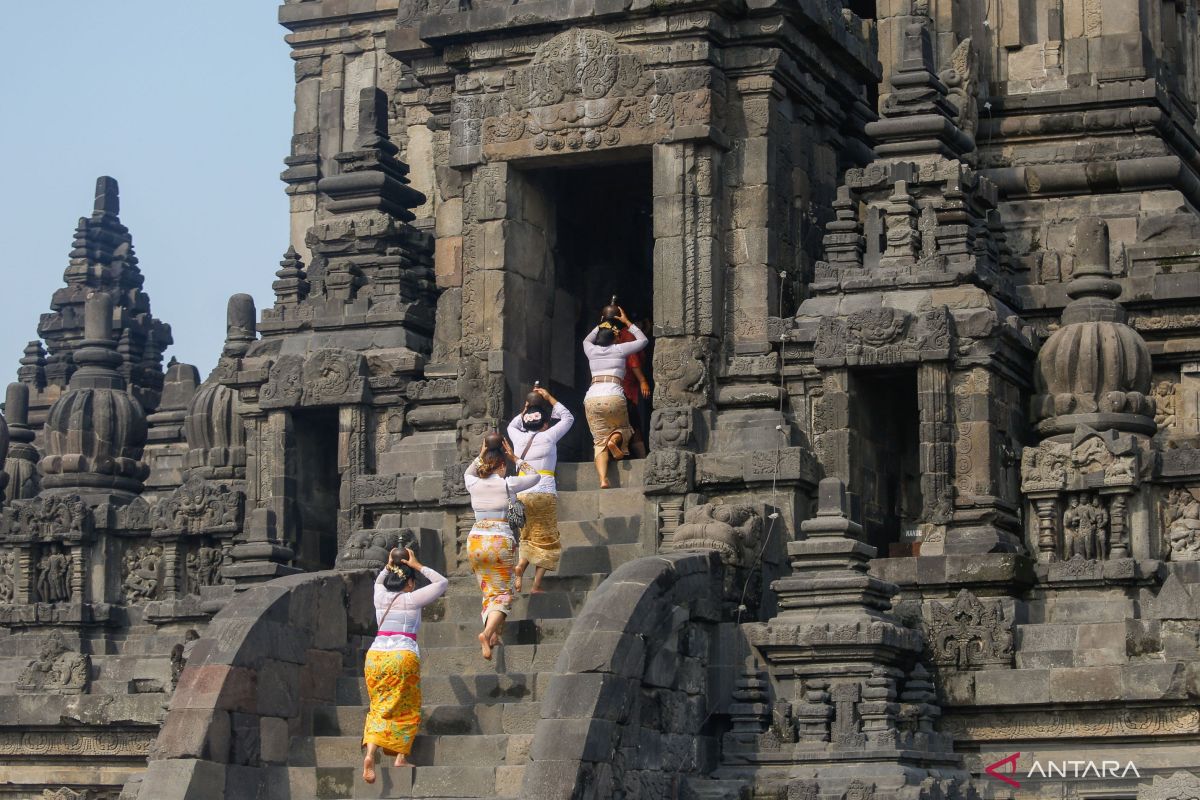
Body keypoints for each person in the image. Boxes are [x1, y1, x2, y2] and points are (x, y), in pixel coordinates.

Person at [362, 547, 448, 784]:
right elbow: (442, 583)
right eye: (413, 581)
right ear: (409, 583)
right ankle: (400, 756)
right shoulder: (411, 599)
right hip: (402, 655)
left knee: (378, 707)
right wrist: (418, 565)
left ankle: (370, 754)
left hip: (376, 657)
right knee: (407, 706)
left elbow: (379, 580)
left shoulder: (379, 596)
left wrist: (389, 563)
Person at [464, 432, 539, 660]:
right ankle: (486, 633)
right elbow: (535, 476)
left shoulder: (473, 482)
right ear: (502, 465)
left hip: (475, 540)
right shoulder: (508, 484)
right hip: (499, 541)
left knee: (490, 591)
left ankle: (494, 634)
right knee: (504, 594)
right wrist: (515, 457)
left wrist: (483, 452)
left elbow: (469, 471)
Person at [508, 386, 574, 594]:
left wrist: (529, 406)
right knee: (547, 538)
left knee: (527, 535)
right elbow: (568, 417)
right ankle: (536, 585)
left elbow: (513, 424)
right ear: (545, 423)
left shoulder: (517, 438)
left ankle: (520, 566)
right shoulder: (549, 436)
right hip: (544, 491)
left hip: (522, 493)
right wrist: (548, 397)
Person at [582, 305, 649, 488]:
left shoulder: (590, 349)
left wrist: (603, 323)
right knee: (626, 429)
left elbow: (588, 338)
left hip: (592, 397)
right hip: (614, 394)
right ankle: (615, 440)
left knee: (598, 441)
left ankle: (603, 479)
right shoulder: (620, 350)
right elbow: (643, 341)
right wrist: (626, 322)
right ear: (616, 338)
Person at [616, 319, 651, 458]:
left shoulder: (615, 337)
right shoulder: (628, 335)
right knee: (633, 424)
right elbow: (633, 361)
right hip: (626, 387)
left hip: (612, 388)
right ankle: (642, 458)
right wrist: (643, 380)